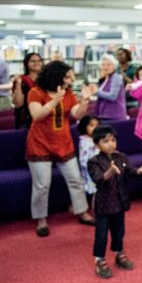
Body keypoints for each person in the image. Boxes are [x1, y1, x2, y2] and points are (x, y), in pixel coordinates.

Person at [26, 61, 96, 236]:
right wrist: (54, 101)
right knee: (42, 185)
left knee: (75, 180)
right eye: (67, 76)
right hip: (40, 143)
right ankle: (41, 219)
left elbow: (76, 114)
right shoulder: (36, 92)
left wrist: (85, 102)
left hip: (63, 142)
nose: (70, 79)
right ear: (56, 77)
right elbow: (36, 115)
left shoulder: (68, 93)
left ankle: (82, 212)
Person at [87, 124, 142, 278]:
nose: (111, 144)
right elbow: (98, 179)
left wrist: (141, 170)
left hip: (120, 203)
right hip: (104, 206)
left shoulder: (121, 157)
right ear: (96, 144)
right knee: (101, 235)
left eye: (113, 140)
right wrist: (110, 172)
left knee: (119, 231)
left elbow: (131, 171)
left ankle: (119, 253)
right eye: (105, 141)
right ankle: (99, 260)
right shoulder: (94, 161)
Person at [12, 52, 43, 129]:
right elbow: (18, 103)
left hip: (42, 116)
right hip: (25, 118)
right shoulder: (21, 80)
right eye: (33, 61)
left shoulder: (46, 80)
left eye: (39, 61)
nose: (37, 63)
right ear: (26, 63)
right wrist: (18, 85)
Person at [95, 54, 127, 121]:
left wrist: (96, 92)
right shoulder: (105, 78)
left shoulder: (116, 77)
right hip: (104, 116)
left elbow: (113, 96)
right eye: (103, 65)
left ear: (114, 66)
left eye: (108, 65)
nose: (105, 67)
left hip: (115, 117)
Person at [78, 115, 100, 204]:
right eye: (92, 125)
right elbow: (83, 160)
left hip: (101, 169)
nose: (95, 128)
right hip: (91, 171)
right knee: (96, 193)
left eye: (97, 125)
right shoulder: (84, 141)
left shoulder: (98, 139)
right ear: (84, 127)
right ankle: (97, 212)